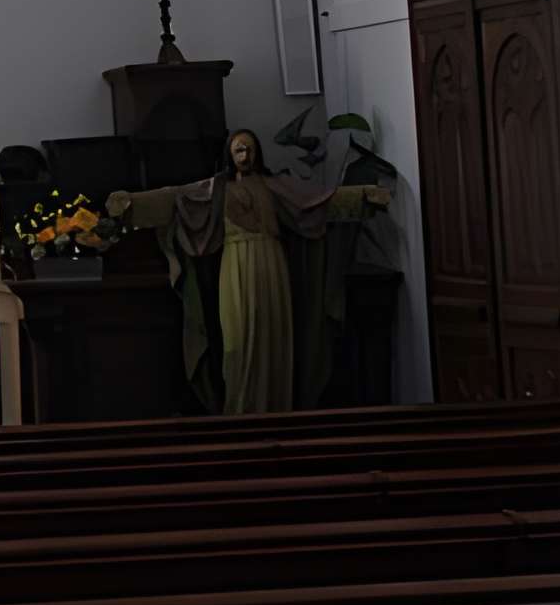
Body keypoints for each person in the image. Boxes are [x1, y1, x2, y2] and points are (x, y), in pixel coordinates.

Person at [107, 128, 387, 414]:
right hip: (235, 265)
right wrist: (131, 204)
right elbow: (173, 199)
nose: (245, 155)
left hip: (272, 265)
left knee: (275, 341)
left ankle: (279, 410)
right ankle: (240, 414)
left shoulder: (275, 187)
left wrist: (364, 196)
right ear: (229, 153)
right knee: (236, 346)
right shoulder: (215, 189)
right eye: (239, 149)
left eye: (250, 149)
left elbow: (319, 201)